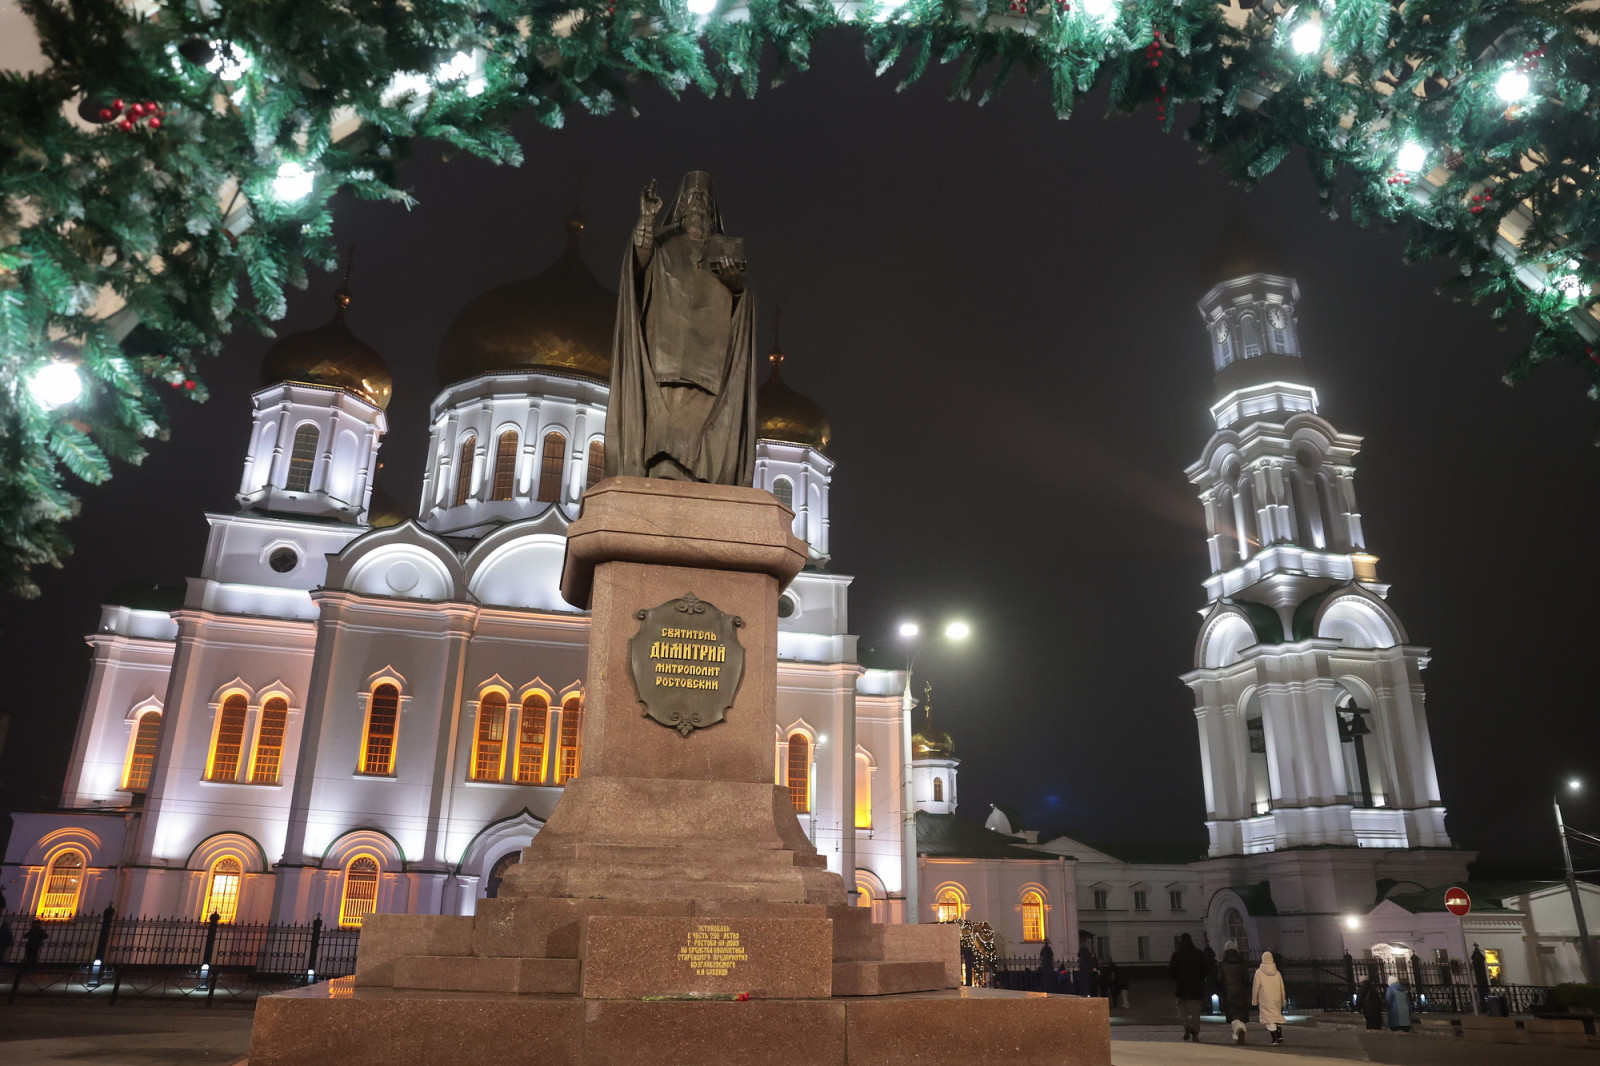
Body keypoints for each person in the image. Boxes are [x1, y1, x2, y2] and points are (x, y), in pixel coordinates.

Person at [608, 171, 758, 486]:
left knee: (703, 429)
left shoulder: (724, 250)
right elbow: (637, 262)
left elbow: (742, 300)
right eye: (692, 198)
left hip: (709, 363)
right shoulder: (663, 241)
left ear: (713, 208)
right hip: (663, 354)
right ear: (681, 204)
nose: (698, 204)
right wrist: (647, 219)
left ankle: (696, 483)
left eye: (704, 199)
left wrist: (737, 286)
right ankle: (660, 479)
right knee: (661, 422)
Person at [1170, 932, 1210, 1042]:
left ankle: (1187, 1026)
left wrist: (1178, 978)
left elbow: (1172, 972)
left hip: (1181, 987)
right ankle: (1195, 1033)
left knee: (1180, 1007)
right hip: (1196, 987)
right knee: (1195, 1011)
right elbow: (1205, 969)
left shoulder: (1176, 954)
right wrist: (1199, 978)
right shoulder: (1198, 954)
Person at [1218, 940, 1251, 1045]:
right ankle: (1239, 1033)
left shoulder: (1222, 964)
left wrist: (1221, 989)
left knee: (1233, 1015)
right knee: (1241, 1013)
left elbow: (1219, 979)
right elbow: (1246, 979)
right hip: (1241, 991)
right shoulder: (1242, 963)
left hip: (1228, 992)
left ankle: (1239, 1030)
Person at [1252, 950, 1287, 1046]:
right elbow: (1282, 988)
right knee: (1276, 1015)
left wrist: (1254, 1000)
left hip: (1265, 998)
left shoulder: (1259, 973)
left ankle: (1274, 1036)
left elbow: (1255, 988)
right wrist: (1283, 999)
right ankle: (1279, 1032)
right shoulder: (1277, 973)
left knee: (1269, 1018)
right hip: (1276, 998)